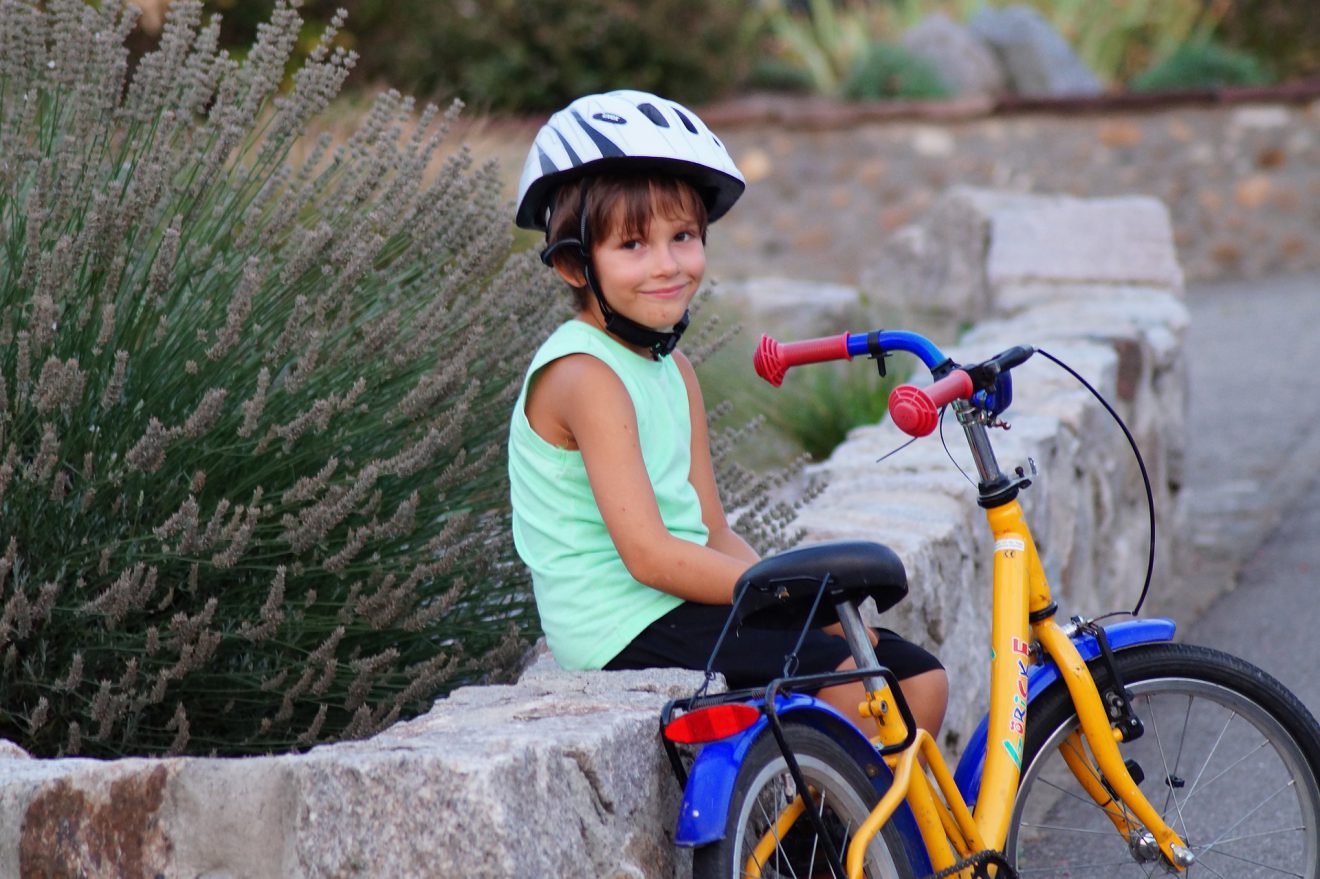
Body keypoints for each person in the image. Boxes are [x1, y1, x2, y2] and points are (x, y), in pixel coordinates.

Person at [508, 90, 947, 734]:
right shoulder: (583, 374)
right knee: (858, 692)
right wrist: (783, 591)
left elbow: (710, 529)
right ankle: (807, 832)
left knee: (919, 679)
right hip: (622, 625)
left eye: (682, 237)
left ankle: (841, 831)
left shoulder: (672, 369)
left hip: (681, 603)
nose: (667, 265)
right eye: (633, 245)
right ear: (576, 263)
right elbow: (651, 556)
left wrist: (798, 600)